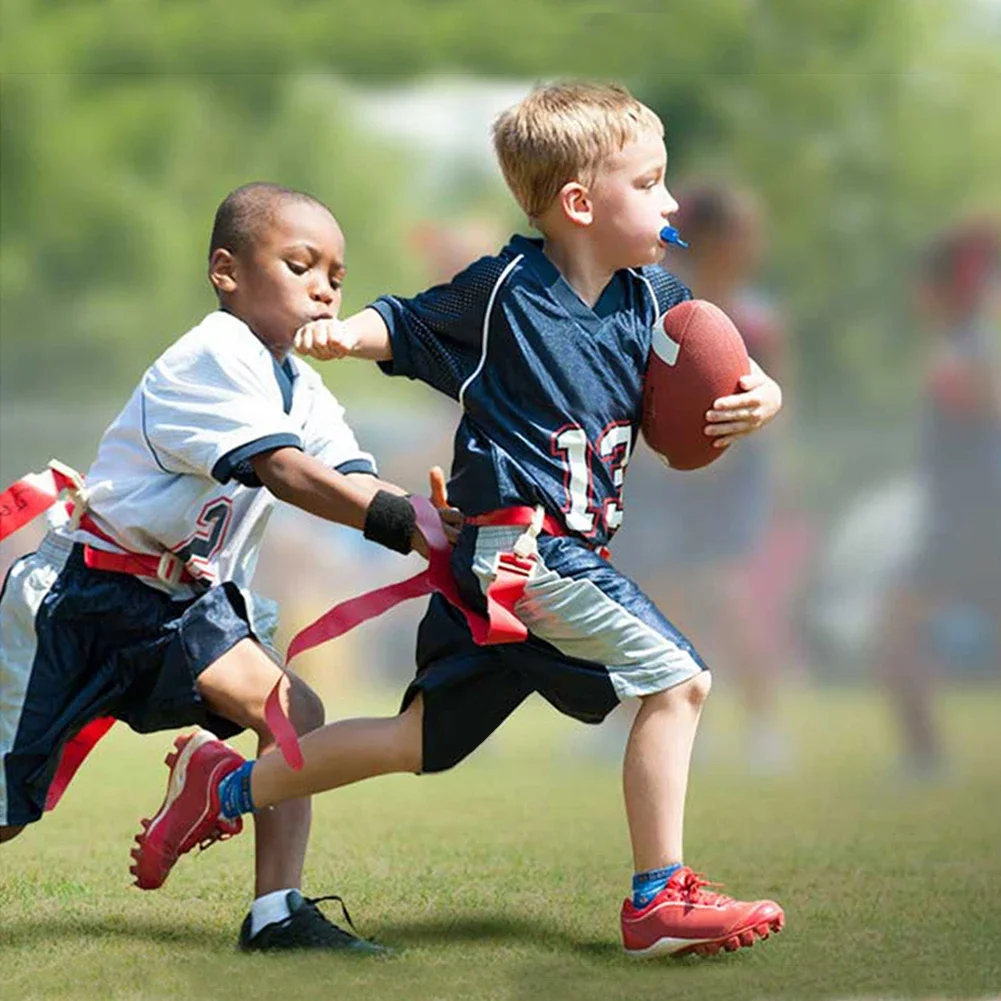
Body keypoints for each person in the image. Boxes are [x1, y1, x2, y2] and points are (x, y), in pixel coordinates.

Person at [132, 83, 786, 959]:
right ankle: (657, 897)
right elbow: (404, 320)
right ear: (580, 204)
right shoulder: (505, 291)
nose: (670, 204)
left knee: (419, 740)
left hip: (537, 564)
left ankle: (227, 785)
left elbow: (723, 372)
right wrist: (342, 335)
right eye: (651, 182)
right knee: (678, 680)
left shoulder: (650, 298)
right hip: (524, 553)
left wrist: (762, 397)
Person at [0, 182, 455, 954]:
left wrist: (435, 523)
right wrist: (401, 523)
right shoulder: (212, 354)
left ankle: (275, 911)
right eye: (300, 263)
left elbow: (352, 476)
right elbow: (283, 471)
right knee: (9, 804)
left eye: (336, 278)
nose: (323, 287)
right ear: (226, 270)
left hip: (182, 605)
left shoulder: (299, 385)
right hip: (88, 594)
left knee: (292, 717)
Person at [613, 181, 799, 772]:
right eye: (742, 232)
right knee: (656, 596)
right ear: (716, 240)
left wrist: (735, 458)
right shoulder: (666, 309)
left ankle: (764, 727)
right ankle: (637, 721)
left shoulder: (758, 321)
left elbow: (776, 402)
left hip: (732, 475)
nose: (753, 245)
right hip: (666, 473)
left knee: (726, 594)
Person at [874, 219, 1001, 777]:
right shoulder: (965, 343)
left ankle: (925, 758)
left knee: (896, 629)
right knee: (898, 628)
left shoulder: (971, 347)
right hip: (966, 513)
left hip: (972, 514)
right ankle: (924, 756)